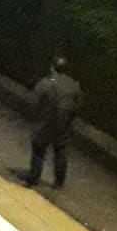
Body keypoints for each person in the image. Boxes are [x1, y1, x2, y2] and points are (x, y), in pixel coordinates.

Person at [22, 57, 84, 188]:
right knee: (60, 152)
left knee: (38, 152)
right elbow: (78, 105)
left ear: (52, 68)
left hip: (45, 123)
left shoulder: (45, 83)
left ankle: (33, 179)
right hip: (63, 125)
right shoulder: (74, 85)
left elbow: (34, 101)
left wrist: (35, 116)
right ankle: (59, 182)